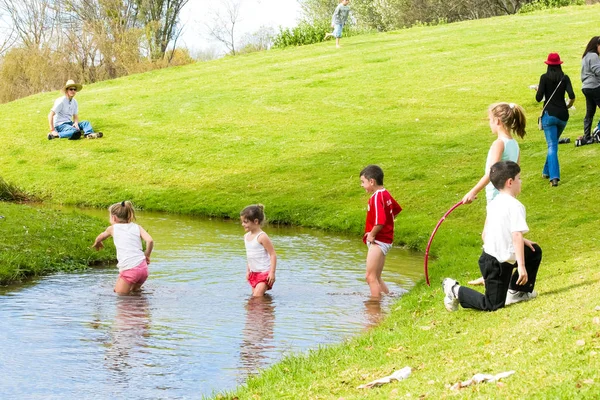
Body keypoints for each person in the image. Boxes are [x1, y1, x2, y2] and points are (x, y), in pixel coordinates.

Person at [443, 161, 542, 312]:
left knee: (534, 251)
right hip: (495, 263)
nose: (521, 182)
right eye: (519, 178)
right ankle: (455, 290)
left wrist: (523, 240)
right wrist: (521, 266)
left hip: (502, 256)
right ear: (510, 182)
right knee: (492, 305)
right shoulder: (516, 206)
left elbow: (487, 234)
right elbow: (515, 235)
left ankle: (518, 291)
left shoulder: (494, 203)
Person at [462, 102, 526, 286]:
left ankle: (492, 276)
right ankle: (495, 274)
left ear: (497, 121)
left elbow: (491, 173)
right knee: (493, 235)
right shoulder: (514, 144)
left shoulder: (499, 143)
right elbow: (516, 172)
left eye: (490, 120)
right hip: (507, 195)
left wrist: (473, 191)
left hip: (497, 196)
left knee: (489, 236)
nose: (489, 124)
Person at [92, 201, 154, 295]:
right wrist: (147, 255)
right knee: (136, 294)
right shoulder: (137, 227)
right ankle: (142, 309)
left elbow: (101, 236)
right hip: (143, 269)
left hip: (129, 269)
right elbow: (150, 241)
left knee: (120, 296)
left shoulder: (113, 228)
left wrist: (97, 242)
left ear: (113, 217)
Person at [359, 165, 402, 298]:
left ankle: (374, 308)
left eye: (363, 182)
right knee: (377, 277)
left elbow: (380, 221)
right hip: (386, 240)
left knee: (370, 277)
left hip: (378, 241)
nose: (362, 185)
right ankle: (388, 298)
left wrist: (371, 234)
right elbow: (395, 210)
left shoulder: (376, 197)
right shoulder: (385, 193)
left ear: (372, 181)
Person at [535, 53, 575, 187]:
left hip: (549, 115)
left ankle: (554, 177)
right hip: (563, 116)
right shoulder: (565, 78)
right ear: (559, 65)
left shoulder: (544, 78)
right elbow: (572, 96)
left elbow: (538, 98)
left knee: (552, 145)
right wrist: (567, 106)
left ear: (547, 65)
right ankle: (546, 172)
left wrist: (538, 89)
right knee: (554, 144)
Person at [240, 204, 277, 297]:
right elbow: (250, 256)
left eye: (245, 222)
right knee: (254, 304)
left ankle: (268, 309)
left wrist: (272, 273)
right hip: (253, 273)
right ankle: (267, 308)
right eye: (242, 222)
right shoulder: (246, 236)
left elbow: (273, 254)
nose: (243, 224)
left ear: (256, 221)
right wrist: (248, 271)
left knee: (256, 298)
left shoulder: (262, 237)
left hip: (265, 274)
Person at [581, 36, 600, 144]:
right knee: (590, 112)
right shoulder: (593, 56)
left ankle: (587, 137)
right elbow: (598, 71)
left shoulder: (585, 56)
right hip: (594, 86)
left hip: (586, 87)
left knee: (590, 112)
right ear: (597, 45)